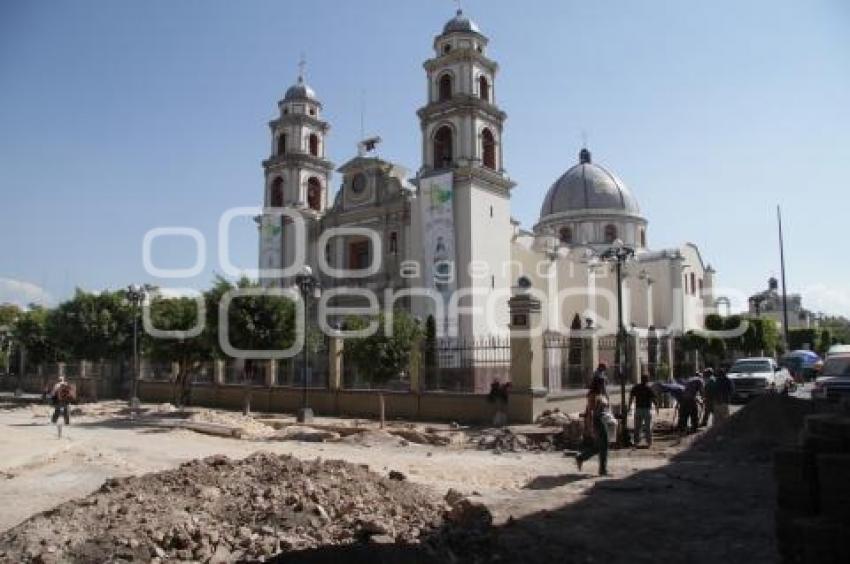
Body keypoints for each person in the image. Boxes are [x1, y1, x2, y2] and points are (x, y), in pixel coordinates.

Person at [575, 377, 610, 476]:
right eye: (603, 384)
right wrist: (590, 428)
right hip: (597, 421)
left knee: (600, 446)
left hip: (602, 420)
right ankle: (602, 470)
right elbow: (590, 412)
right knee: (604, 445)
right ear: (598, 384)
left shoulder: (600, 394)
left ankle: (581, 457)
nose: (604, 386)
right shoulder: (593, 395)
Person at [629, 374, 660, 446]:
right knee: (648, 427)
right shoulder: (649, 388)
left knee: (637, 426)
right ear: (647, 380)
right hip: (646, 410)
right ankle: (649, 442)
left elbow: (631, 397)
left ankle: (636, 441)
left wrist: (629, 407)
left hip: (638, 409)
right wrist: (657, 407)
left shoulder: (636, 387)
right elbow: (653, 399)